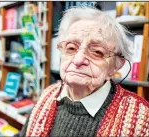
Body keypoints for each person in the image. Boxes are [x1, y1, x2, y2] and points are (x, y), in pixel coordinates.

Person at [20, 7, 149, 137]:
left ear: (115, 67)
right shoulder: (47, 96)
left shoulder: (141, 120)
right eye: (71, 48)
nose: (78, 60)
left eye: (97, 52)